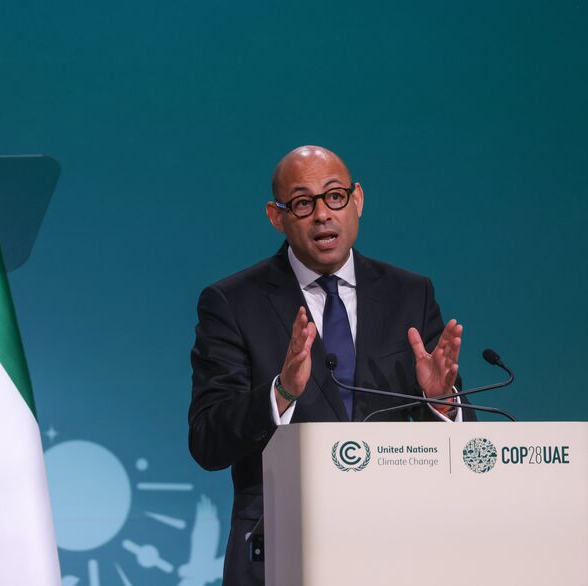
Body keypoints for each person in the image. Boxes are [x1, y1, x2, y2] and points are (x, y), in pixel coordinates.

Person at [188, 145, 474, 585]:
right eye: (303, 202)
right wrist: (280, 393)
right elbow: (208, 441)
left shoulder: (409, 295)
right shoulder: (232, 303)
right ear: (276, 216)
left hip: (398, 549)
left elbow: (467, 440)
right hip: (281, 553)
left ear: (357, 200)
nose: (323, 214)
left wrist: (440, 401)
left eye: (334, 196)